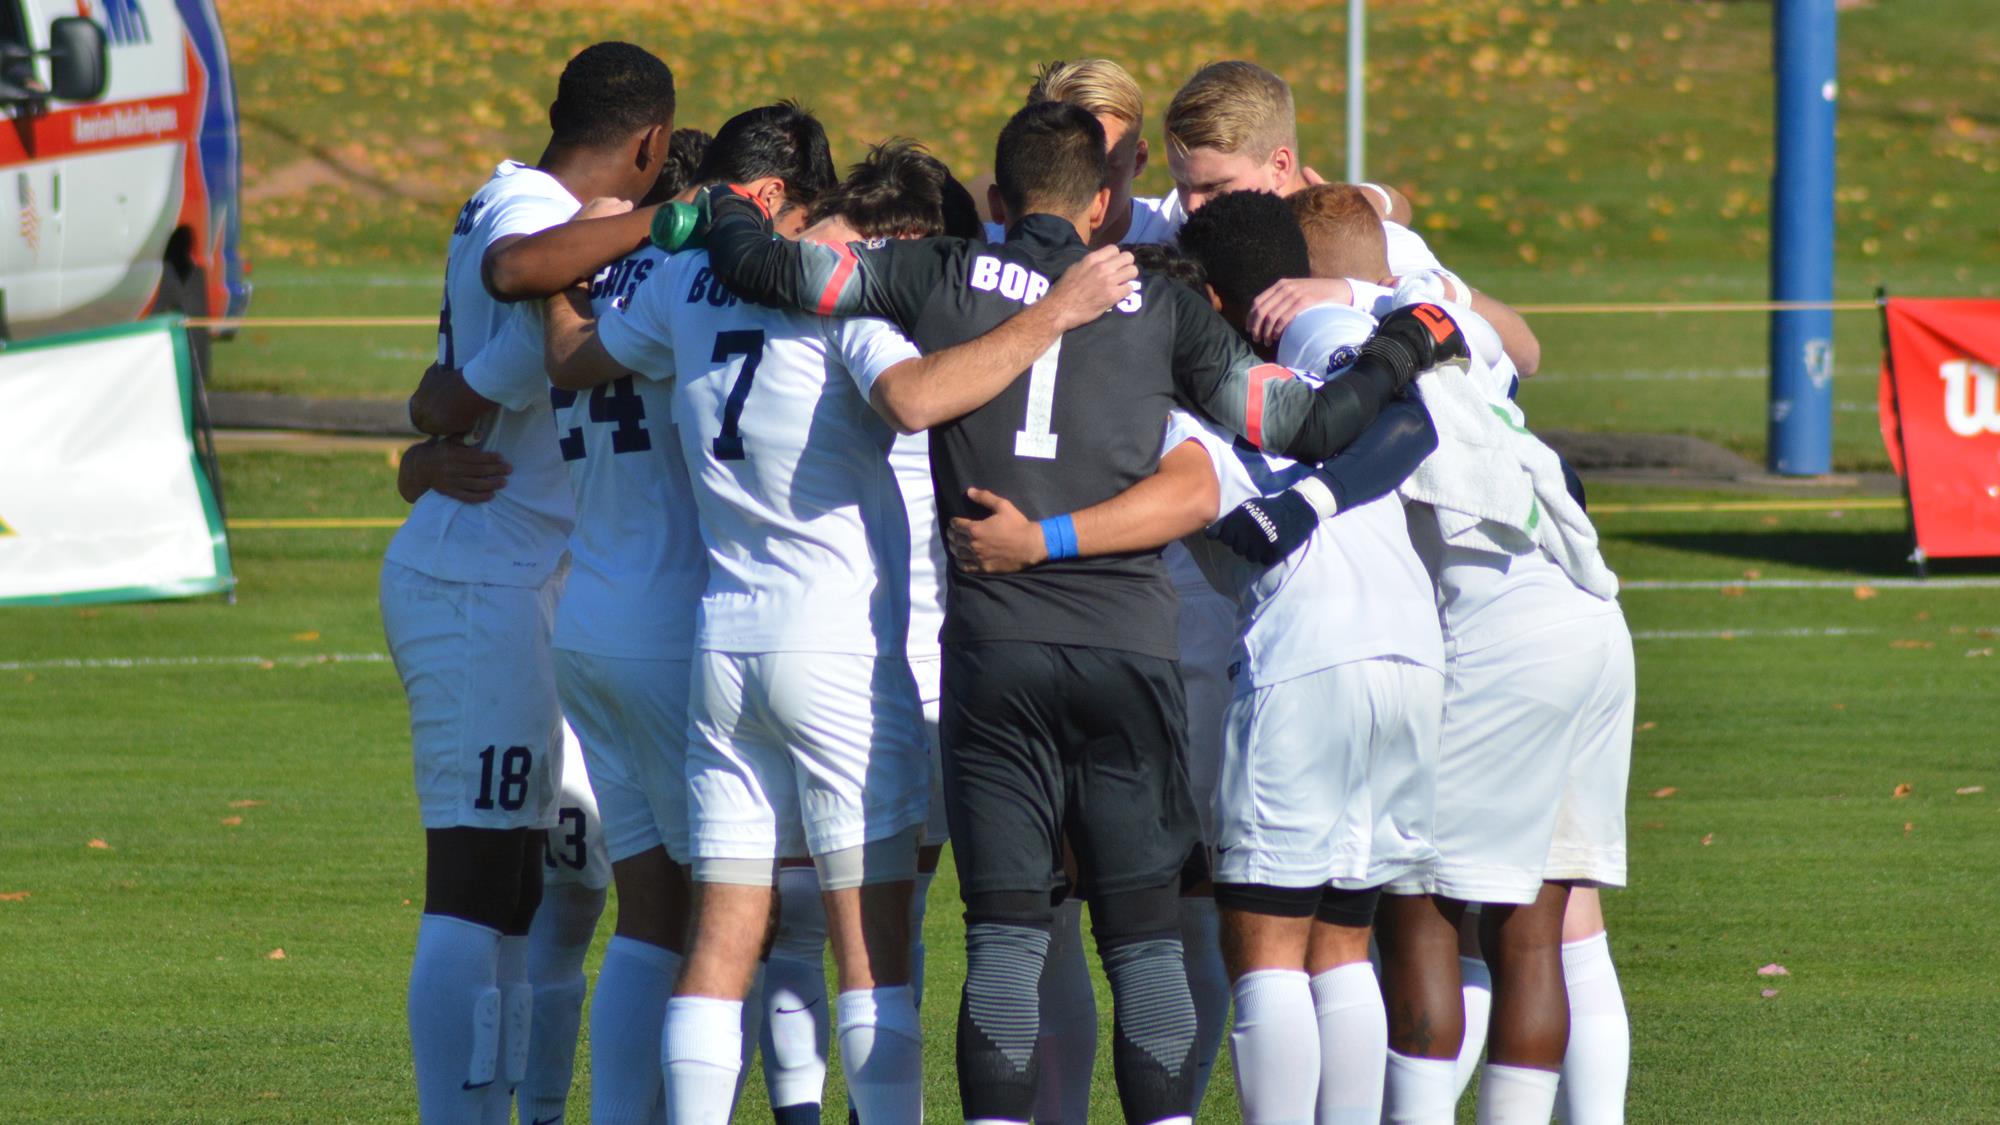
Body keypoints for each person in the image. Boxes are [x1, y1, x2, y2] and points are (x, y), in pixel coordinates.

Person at [698, 99, 1463, 1124]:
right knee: (1146, 939)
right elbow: (1311, 423)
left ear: (1000, 202)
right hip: (1126, 651)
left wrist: (724, 207)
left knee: (1007, 939)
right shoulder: (1161, 303)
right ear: (1106, 204)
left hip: (993, 653)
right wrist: (1402, 346)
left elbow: (777, 271)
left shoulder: (935, 274)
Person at [541, 124, 1140, 1123]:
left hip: (722, 645)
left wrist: (559, 276)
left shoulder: (682, 287)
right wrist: (1056, 312)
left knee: (725, 941)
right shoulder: (828, 286)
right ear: (797, 199)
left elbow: (571, 361)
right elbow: (912, 399)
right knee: (870, 957)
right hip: (836, 653)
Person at [382, 41, 675, 1123]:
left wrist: (431, 422)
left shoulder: (543, 214)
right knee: (473, 879)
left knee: (532, 886)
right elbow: (515, 273)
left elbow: (461, 389)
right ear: (647, 144)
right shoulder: (525, 203)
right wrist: (675, 220)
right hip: (477, 586)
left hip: (531, 584)